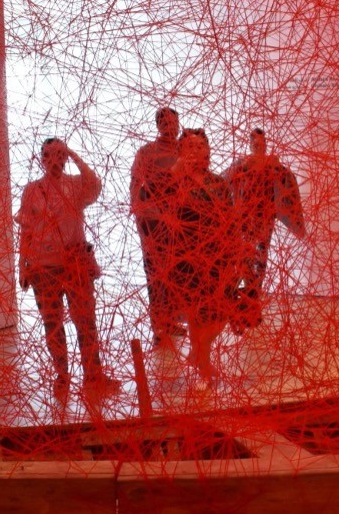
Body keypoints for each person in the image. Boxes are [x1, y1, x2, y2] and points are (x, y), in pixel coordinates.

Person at [16, 138, 117, 414]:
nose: (55, 160)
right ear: (41, 159)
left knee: (86, 319)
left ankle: (93, 374)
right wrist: (22, 265)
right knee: (53, 323)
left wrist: (73, 153)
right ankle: (62, 376)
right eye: (49, 155)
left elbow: (95, 185)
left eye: (60, 155)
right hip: (43, 266)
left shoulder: (75, 185)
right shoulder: (32, 190)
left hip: (75, 263)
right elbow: (25, 229)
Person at [161, 129, 246, 384]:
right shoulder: (177, 182)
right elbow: (157, 197)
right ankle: (204, 361)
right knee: (198, 313)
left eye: (201, 145)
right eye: (190, 146)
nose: (197, 150)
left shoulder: (217, 183)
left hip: (217, 255)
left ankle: (199, 354)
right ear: (181, 151)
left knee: (219, 313)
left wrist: (236, 250)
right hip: (188, 256)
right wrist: (178, 168)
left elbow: (229, 217)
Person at [223, 128, 306, 330]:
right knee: (242, 263)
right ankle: (240, 306)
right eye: (254, 141)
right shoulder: (240, 163)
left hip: (263, 222)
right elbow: (225, 180)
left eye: (261, 142)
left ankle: (253, 305)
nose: (258, 145)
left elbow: (286, 183)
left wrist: (277, 169)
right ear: (250, 143)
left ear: (265, 143)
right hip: (243, 223)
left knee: (260, 264)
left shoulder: (272, 164)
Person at [130, 107, 183, 346]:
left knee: (175, 270)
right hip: (152, 219)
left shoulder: (183, 150)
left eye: (176, 123)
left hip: (179, 218)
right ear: (159, 125)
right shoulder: (147, 152)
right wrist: (137, 214)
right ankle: (159, 325)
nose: (173, 127)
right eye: (169, 123)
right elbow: (135, 183)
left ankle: (171, 320)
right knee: (155, 272)